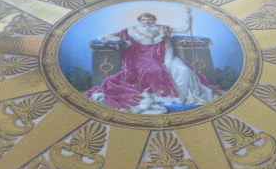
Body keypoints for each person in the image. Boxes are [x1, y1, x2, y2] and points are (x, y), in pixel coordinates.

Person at [86, 12, 216, 113]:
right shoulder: (132, 30)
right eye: (144, 20)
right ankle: (160, 96)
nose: (147, 22)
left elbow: (184, 29)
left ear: (154, 20)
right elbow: (112, 36)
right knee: (154, 70)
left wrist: (189, 18)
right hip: (141, 56)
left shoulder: (163, 28)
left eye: (150, 19)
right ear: (140, 20)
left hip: (165, 55)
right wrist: (113, 40)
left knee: (184, 70)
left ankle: (182, 97)